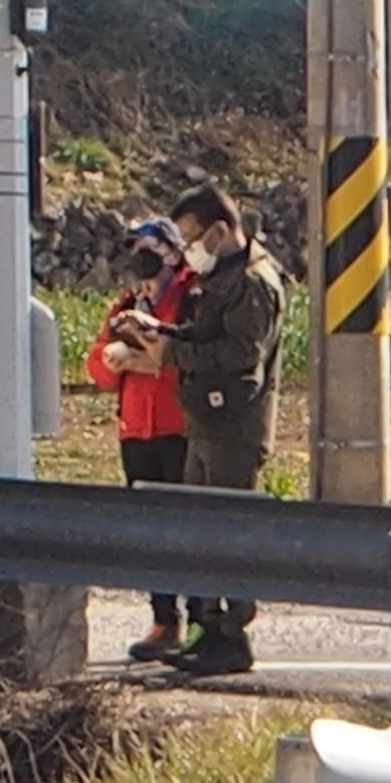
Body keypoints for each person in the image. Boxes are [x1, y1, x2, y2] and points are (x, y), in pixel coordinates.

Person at [107, 184, 283, 677]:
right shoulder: (220, 278)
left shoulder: (253, 282)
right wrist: (160, 332)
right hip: (203, 421)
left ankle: (230, 633)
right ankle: (207, 628)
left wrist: (171, 353)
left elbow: (241, 354)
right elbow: (203, 334)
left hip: (234, 424)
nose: (187, 251)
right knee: (200, 530)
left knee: (228, 531)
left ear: (220, 231)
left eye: (190, 239)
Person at [96, 225, 196, 664]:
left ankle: (201, 619)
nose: (142, 256)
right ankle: (163, 619)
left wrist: (148, 361)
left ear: (173, 252)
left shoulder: (191, 297)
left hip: (179, 426)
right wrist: (121, 360)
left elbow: (185, 356)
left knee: (188, 527)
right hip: (136, 429)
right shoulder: (127, 304)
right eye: (136, 249)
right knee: (150, 531)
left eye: (151, 247)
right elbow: (97, 367)